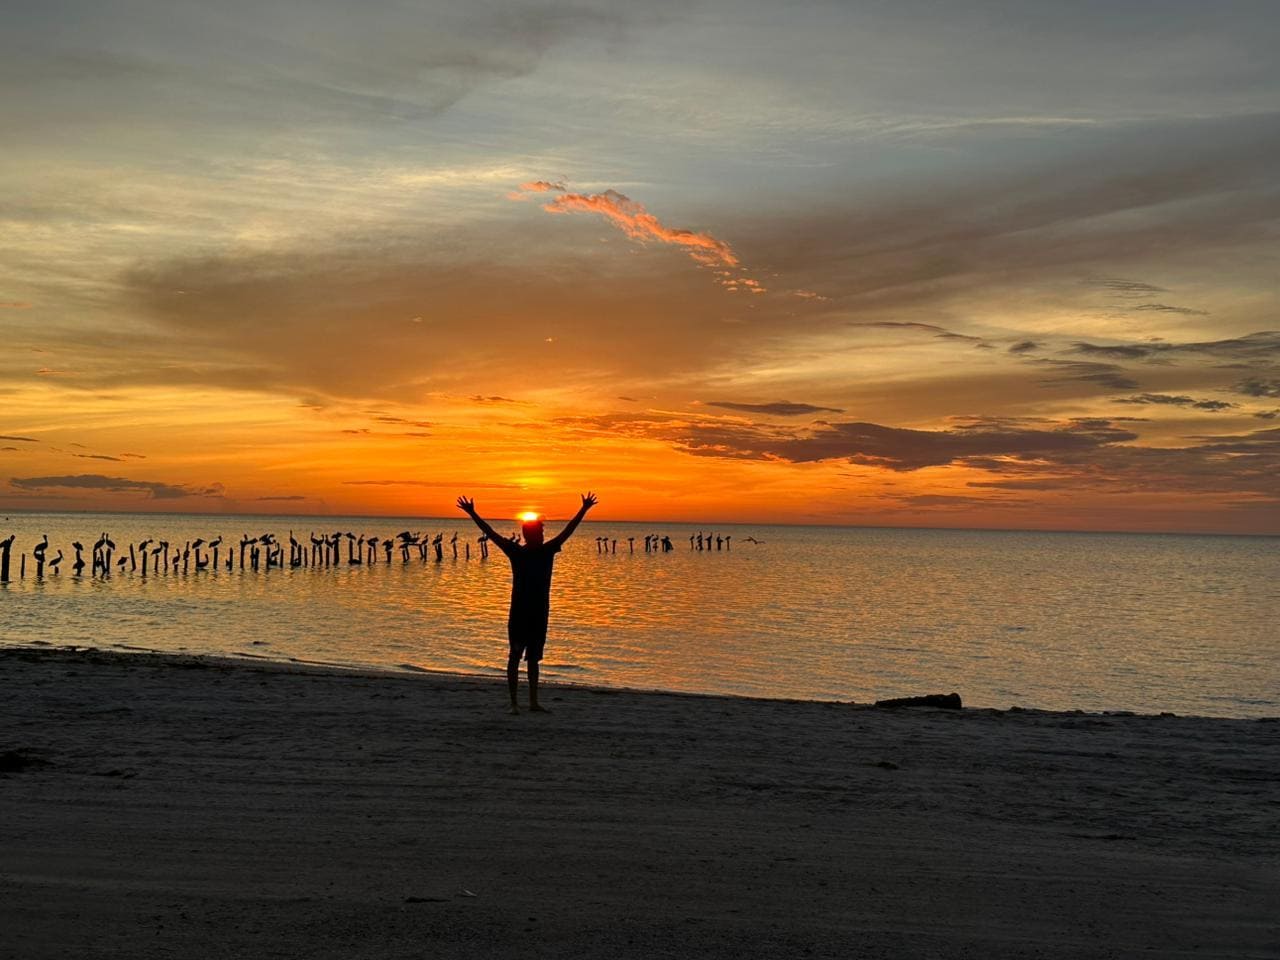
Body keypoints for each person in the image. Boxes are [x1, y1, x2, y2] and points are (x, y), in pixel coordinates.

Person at [457, 493, 598, 714]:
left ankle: (532, 702)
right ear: (532, 534)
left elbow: (568, 531)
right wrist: (473, 513)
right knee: (515, 656)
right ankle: (514, 703)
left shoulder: (544, 550)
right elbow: (491, 533)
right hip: (521, 613)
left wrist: (584, 510)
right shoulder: (521, 552)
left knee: (533, 659)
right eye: (541, 532)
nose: (543, 535)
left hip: (538, 613)